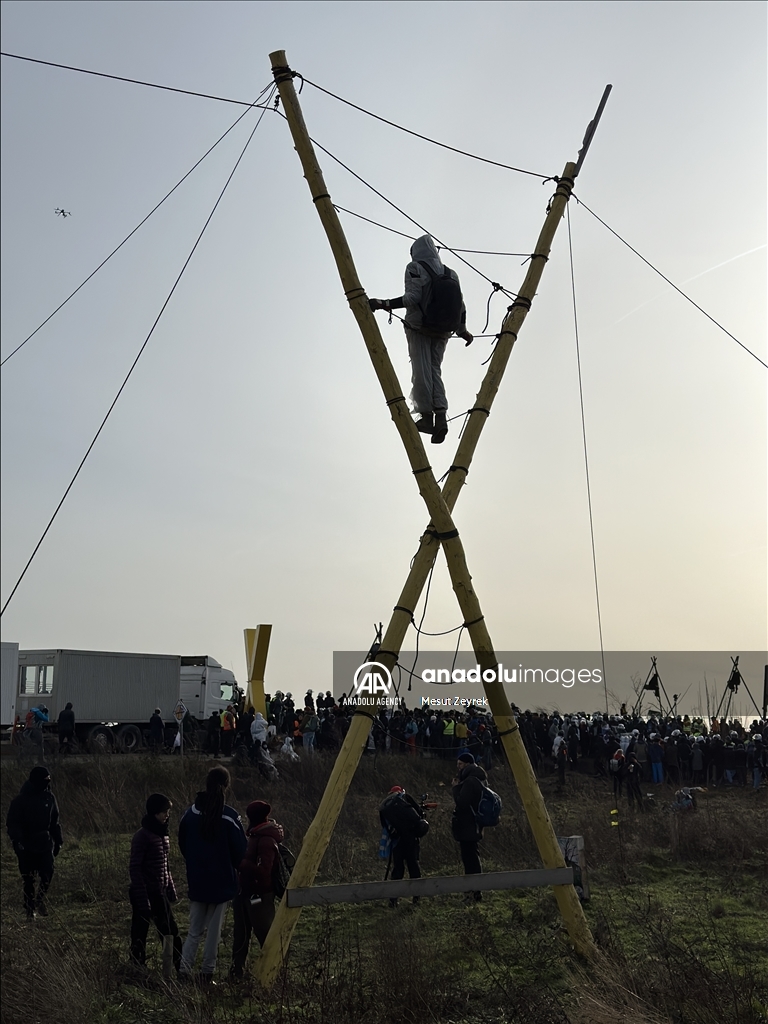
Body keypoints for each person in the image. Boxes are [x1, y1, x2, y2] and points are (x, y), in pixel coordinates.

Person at [369, 234, 473, 444]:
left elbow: (412, 298)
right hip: (444, 331)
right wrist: (463, 331)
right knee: (435, 371)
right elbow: (461, 306)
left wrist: (382, 303)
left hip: (419, 327)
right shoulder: (451, 273)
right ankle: (441, 418)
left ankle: (426, 417)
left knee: (421, 371)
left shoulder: (414, 267)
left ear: (416, 252)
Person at [178, 767, 247, 983]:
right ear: (226, 785)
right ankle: (207, 973)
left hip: (198, 880)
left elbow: (182, 844)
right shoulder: (229, 816)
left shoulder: (190, 814)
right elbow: (241, 849)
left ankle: (184, 970)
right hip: (223, 882)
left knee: (194, 930)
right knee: (213, 934)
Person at [128, 794, 183, 975]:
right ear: (154, 812)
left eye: (168, 811)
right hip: (144, 892)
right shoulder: (142, 836)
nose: (167, 815)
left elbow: (165, 865)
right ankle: (137, 966)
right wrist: (143, 899)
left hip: (160, 892)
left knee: (169, 930)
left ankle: (177, 967)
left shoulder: (163, 834)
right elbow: (135, 868)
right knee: (139, 931)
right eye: (163, 811)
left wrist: (170, 889)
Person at [230, 800, 284, 979]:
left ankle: (274, 973)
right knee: (240, 934)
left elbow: (264, 871)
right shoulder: (255, 836)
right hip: (244, 892)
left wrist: (242, 863)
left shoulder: (266, 840)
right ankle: (236, 972)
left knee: (265, 935)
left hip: (260, 895)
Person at [6, 766, 63, 918]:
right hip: (26, 844)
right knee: (29, 879)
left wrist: (58, 840)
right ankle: (30, 910)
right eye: (45, 780)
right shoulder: (20, 800)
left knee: (47, 873)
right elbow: (12, 823)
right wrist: (17, 841)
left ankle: (40, 899)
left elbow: (55, 822)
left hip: (45, 842)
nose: (47, 783)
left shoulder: (49, 798)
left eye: (49, 780)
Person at [379, 786, 428, 908]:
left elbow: (384, 825)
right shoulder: (405, 798)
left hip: (397, 841)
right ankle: (416, 899)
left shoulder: (386, 805)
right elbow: (419, 815)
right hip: (411, 838)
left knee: (398, 869)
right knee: (413, 867)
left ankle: (393, 901)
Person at [452, 752, 486, 901]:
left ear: (467, 764)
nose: (458, 767)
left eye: (460, 764)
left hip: (468, 825)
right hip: (476, 824)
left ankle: (473, 892)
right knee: (473, 856)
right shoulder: (480, 779)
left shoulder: (470, 781)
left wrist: (455, 788)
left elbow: (462, 803)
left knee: (470, 859)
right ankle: (475, 891)